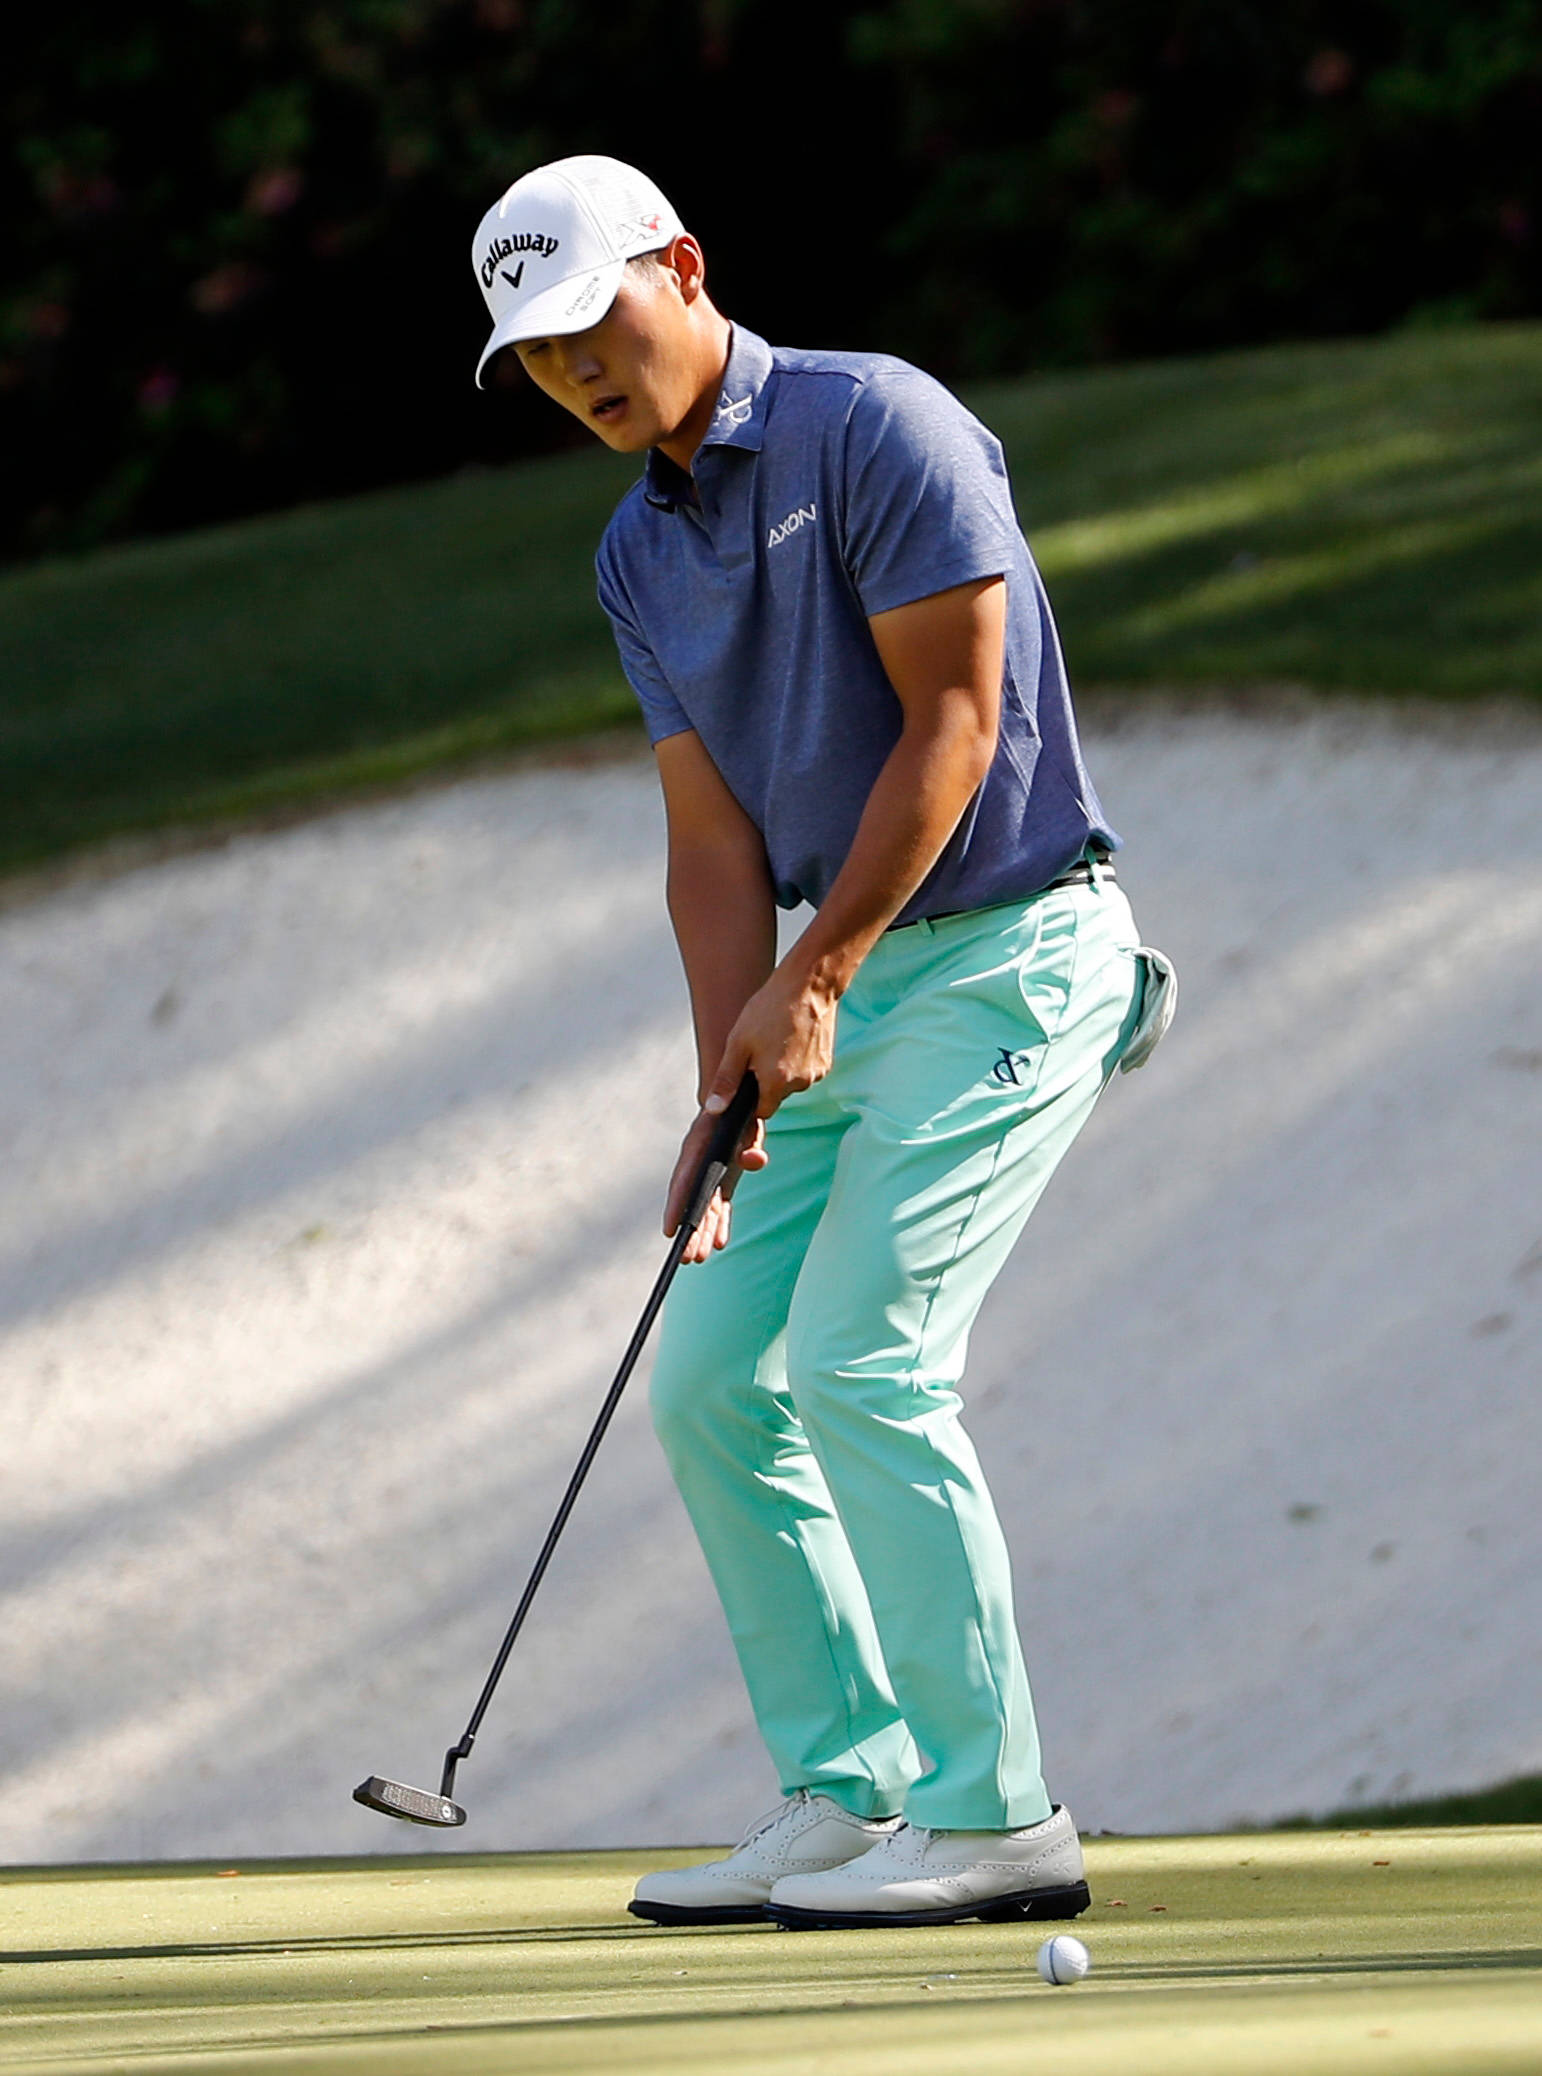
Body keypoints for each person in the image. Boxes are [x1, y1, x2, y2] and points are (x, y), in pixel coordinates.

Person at [470, 155, 1173, 1931]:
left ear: (682, 266)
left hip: (1010, 954)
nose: (575, 372)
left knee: (863, 1355)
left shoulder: (875, 426)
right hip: (839, 990)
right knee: (711, 1376)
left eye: (591, 324)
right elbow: (710, 847)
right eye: (537, 356)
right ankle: (847, 1791)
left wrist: (820, 973)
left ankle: (996, 1814)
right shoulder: (637, 551)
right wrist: (726, 1085)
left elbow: (956, 723)